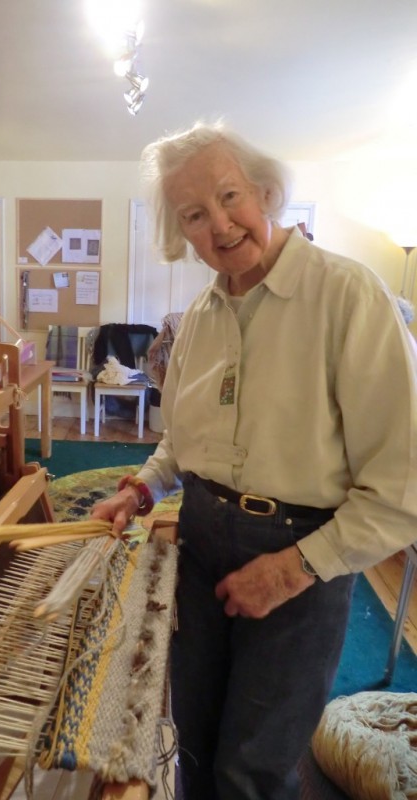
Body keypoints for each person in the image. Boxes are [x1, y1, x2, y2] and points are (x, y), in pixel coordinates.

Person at [91, 120, 417, 800]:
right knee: (194, 743)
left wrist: (293, 570)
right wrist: (143, 489)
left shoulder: (349, 295)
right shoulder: (200, 315)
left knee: (252, 770)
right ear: (182, 233)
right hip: (203, 539)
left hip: (304, 550)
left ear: (265, 192)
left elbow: (402, 480)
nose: (220, 224)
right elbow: (183, 437)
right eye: (194, 214)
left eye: (230, 196)